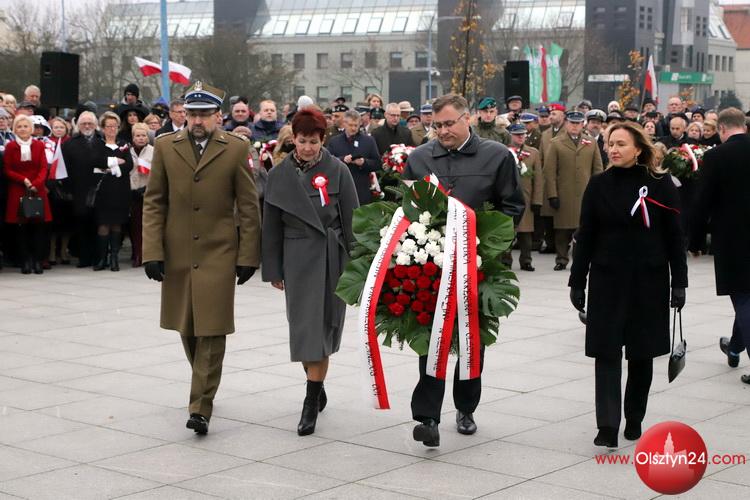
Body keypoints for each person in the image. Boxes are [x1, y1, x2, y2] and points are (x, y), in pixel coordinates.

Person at [402, 93, 524, 447]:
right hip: (430, 267)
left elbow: (512, 206)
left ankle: (466, 407)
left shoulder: (497, 156)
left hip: (478, 264)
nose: (442, 131)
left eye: (448, 124)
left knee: (472, 340)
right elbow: (406, 208)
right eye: (436, 125)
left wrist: (488, 242)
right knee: (429, 339)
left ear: (466, 118)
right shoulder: (419, 158)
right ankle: (427, 416)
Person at [142, 81, 261, 435]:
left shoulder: (236, 148)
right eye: (192, 114)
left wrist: (248, 255)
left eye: (204, 114)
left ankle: (200, 407)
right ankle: (204, 381)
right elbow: (154, 202)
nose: (197, 121)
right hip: (178, 251)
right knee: (187, 326)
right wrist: (152, 251)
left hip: (218, 251)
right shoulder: (166, 146)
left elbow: (248, 206)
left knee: (212, 327)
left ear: (218, 116)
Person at [569, 121, 687, 448]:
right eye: (610, 143)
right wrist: (577, 281)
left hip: (648, 280)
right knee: (606, 352)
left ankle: (634, 417)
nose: (613, 149)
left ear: (638, 148)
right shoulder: (598, 184)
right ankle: (607, 425)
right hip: (607, 279)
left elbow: (675, 236)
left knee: (641, 354)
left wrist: (679, 282)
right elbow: (586, 235)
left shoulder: (661, 184)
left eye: (621, 144)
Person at [262, 107, 358, 436]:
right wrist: (273, 268)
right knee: (303, 331)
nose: (307, 148)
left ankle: (310, 401)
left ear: (323, 140)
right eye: (302, 141)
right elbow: (271, 227)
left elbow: (353, 220)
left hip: (331, 258)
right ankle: (317, 382)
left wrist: (358, 265)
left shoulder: (338, 171)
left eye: (313, 142)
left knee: (321, 332)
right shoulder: (278, 175)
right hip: (297, 260)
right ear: (293, 139)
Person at [689, 108, 750, 382]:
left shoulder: (716, 156)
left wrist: (695, 241)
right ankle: (734, 347)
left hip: (734, 238)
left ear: (722, 129)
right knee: (746, 296)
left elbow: (703, 201)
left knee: (743, 296)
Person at [544, 110, 604, 270]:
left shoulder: (591, 142)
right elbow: (549, 171)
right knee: (562, 231)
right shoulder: (556, 143)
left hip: (585, 193)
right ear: (566, 123)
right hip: (564, 193)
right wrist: (552, 194)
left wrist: (597, 192)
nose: (575, 126)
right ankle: (561, 259)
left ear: (583, 124)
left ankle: (580, 260)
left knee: (583, 229)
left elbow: (597, 169)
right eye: (572, 123)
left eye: (578, 123)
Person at [3, 114, 52, 274]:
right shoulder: (11, 146)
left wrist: (36, 184)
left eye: (25, 126)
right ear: (15, 129)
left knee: (38, 227)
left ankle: (37, 261)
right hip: (18, 189)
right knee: (21, 228)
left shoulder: (39, 145)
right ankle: (25, 261)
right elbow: (7, 169)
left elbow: (43, 168)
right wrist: (24, 180)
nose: (23, 129)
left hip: (37, 189)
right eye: (19, 126)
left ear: (31, 129)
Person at [93, 112, 133, 272]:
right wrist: (116, 161)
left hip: (120, 190)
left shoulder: (124, 144)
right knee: (103, 224)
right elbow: (96, 161)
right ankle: (102, 258)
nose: (112, 129)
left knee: (117, 224)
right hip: (103, 190)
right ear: (103, 128)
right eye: (108, 126)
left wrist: (111, 168)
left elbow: (129, 164)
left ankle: (114, 258)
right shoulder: (98, 144)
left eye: (114, 126)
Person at [505, 123, 542, 271]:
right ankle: (505, 260)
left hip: (526, 198)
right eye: (517, 135)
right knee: (507, 231)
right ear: (510, 135)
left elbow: (538, 178)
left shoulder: (533, 153)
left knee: (526, 232)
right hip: (508, 197)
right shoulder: (504, 151)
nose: (521, 137)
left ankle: (526, 260)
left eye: (523, 134)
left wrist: (537, 200)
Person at [326, 109, 381, 205]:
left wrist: (364, 162)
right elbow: (327, 162)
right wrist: (342, 159)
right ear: (344, 124)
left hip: (362, 190)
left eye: (356, 125)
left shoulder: (369, 141)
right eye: (350, 125)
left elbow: (377, 163)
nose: (353, 128)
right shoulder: (334, 141)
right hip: (340, 188)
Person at [536, 103, 566, 254]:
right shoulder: (546, 134)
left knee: (563, 214)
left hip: (564, 177)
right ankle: (550, 243)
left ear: (562, 115)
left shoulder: (568, 132)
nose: (551, 116)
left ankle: (563, 244)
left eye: (554, 113)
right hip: (548, 178)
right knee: (547, 214)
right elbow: (541, 156)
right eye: (550, 114)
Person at [47, 117, 73, 265]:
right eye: (56, 127)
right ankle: (51, 251)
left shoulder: (70, 143)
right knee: (53, 223)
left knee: (66, 223)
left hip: (68, 187)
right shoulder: (47, 143)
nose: (58, 130)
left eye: (61, 127)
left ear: (66, 129)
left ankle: (63, 251)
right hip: (52, 187)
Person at [129, 123, 152, 267]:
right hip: (132, 193)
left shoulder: (153, 151)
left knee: (147, 226)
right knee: (134, 226)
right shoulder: (127, 151)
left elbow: (157, 173)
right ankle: (136, 253)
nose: (141, 138)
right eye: (138, 136)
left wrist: (146, 188)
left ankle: (146, 254)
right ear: (133, 138)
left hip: (148, 193)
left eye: (143, 135)